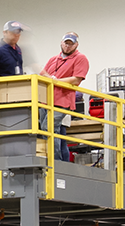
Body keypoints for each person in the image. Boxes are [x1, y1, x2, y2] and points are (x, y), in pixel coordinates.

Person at [40, 32, 91, 162]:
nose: (67, 46)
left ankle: (55, 162)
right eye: (66, 43)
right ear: (61, 42)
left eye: (71, 44)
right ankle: (57, 160)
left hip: (62, 101)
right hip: (45, 100)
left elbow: (76, 79)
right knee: (50, 131)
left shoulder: (80, 58)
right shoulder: (53, 59)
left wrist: (56, 81)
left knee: (49, 128)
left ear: (76, 45)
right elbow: (42, 73)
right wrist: (50, 78)